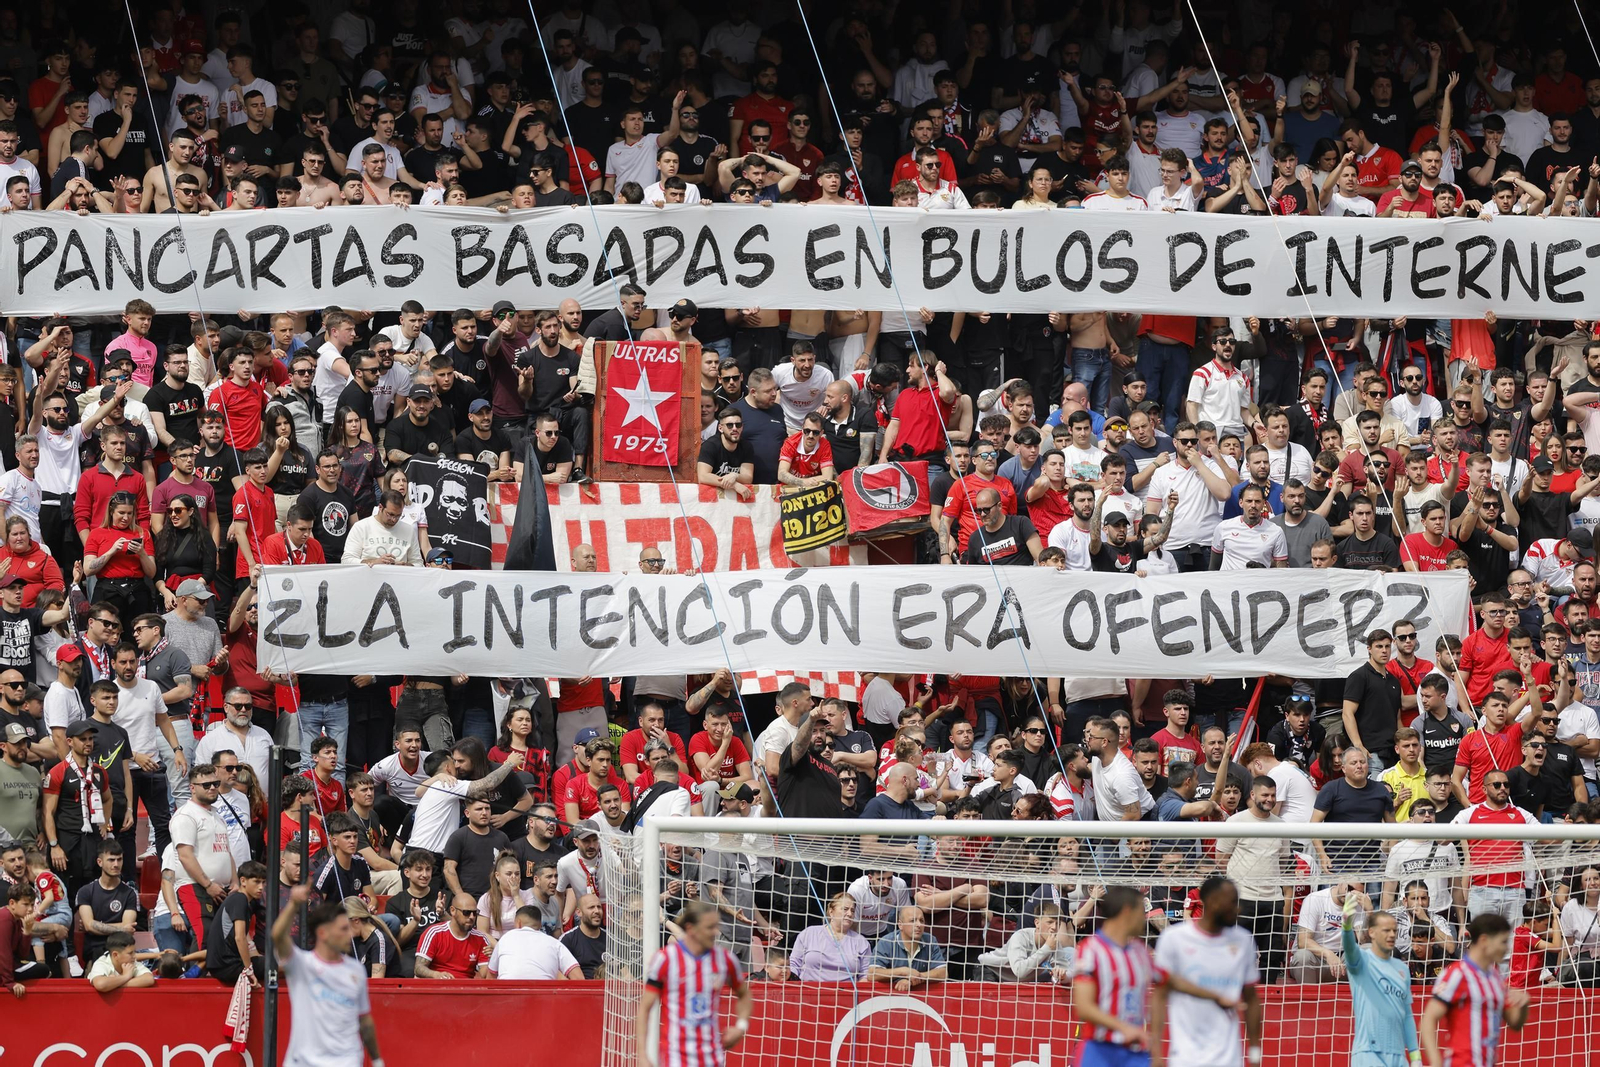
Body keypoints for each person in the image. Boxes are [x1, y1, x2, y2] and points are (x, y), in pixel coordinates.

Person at [1151, 876, 1263, 1067]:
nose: (1238, 909)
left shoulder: (1243, 941)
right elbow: (1159, 996)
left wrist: (1254, 1055)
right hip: (1184, 1058)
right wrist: (1155, 1053)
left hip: (1228, 1059)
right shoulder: (1174, 938)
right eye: (1232, 903)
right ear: (1211, 903)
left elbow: (1251, 999)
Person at [274, 883, 384, 1067]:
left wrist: (377, 1060)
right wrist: (293, 904)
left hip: (346, 1060)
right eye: (342, 929)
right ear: (323, 933)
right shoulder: (302, 965)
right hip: (303, 1061)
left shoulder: (356, 970)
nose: (349, 934)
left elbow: (364, 1020)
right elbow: (278, 937)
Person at [637, 897, 752, 1067]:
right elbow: (645, 1008)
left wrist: (741, 1027)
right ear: (691, 929)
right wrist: (642, 1055)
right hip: (676, 1058)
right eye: (709, 928)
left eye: (716, 927)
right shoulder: (666, 959)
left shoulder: (725, 959)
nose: (716, 932)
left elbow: (744, 995)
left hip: (712, 1058)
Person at [1421, 914, 1529, 1067]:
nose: (1506, 948)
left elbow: (1515, 1023)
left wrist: (1523, 1005)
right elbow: (1428, 1020)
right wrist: (1436, 1061)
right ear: (1484, 940)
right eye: (1503, 942)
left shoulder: (1495, 979)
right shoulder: (1457, 974)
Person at [1072, 884, 1154, 1062]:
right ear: (1126, 912)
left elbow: (1168, 983)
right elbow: (1084, 1008)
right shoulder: (1090, 950)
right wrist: (1123, 1028)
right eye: (1142, 912)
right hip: (1099, 1050)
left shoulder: (1142, 952)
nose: (1144, 918)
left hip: (1135, 1051)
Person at [1342, 894, 1423, 1067]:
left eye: (1394, 930)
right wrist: (1347, 928)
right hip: (1369, 1054)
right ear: (1371, 932)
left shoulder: (1402, 969)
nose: (1392, 935)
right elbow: (1349, 950)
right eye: (1386, 930)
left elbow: (1407, 1015)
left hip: (1398, 1056)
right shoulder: (1362, 961)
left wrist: (1415, 1056)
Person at [486, 905, 581, 979]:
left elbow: (491, 976)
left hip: (509, 999)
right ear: (540, 925)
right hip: (544, 998)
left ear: (518, 923)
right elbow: (578, 977)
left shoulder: (505, 939)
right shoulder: (554, 943)